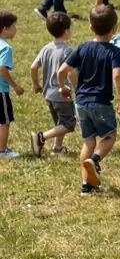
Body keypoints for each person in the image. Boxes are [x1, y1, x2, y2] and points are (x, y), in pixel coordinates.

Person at [57, 3, 120, 194]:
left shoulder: (83, 47)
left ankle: (86, 186)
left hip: (81, 102)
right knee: (109, 135)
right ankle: (94, 161)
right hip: (101, 102)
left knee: (88, 141)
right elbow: (118, 74)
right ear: (115, 28)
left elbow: (62, 70)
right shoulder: (113, 51)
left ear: (90, 27)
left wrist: (62, 87)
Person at [30, 11, 77, 157]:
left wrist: (36, 85)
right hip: (62, 94)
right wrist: (76, 88)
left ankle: (57, 148)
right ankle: (40, 137)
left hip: (48, 94)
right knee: (69, 124)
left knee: (60, 122)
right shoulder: (68, 51)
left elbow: (33, 67)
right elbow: (71, 72)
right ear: (66, 31)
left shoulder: (46, 48)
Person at [0, 10, 23, 158]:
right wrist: (15, 86)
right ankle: (2, 150)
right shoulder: (6, 48)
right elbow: (2, 68)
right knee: (4, 121)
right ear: (5, 29)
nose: (16, 28)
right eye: (13, 25)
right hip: (1, 90)